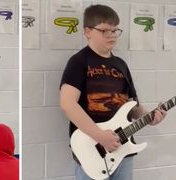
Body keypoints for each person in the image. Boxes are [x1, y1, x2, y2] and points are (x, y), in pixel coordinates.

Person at [59, 4, 166, 180]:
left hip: (124, 151)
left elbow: (132, 106)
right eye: (105, 30)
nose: (112, 36)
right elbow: (67, 104)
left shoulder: (121, 65)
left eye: (115, 30)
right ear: (87, 32)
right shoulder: (78, 62)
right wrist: (100, 136)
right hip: (93, 150)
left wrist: (150, 117)